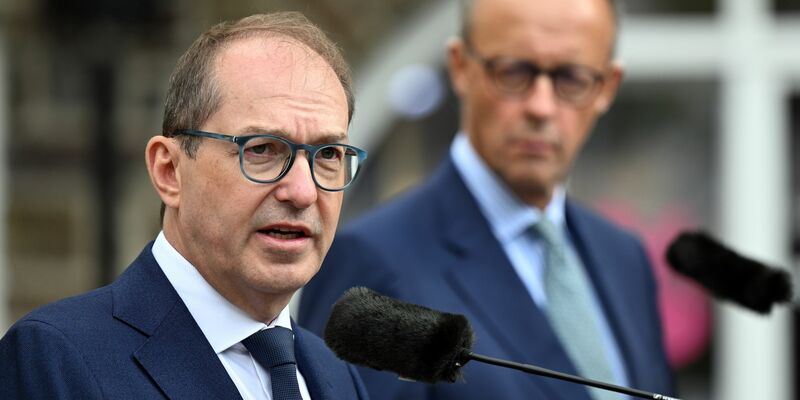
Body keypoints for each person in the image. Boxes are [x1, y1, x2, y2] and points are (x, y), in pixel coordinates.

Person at [298, 0, 674, 399]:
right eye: (513, 71)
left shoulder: (623, 258)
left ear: (607, 88)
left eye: (571, 78)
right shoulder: (375, 263)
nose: (541, 107)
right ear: (460, 67)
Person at [0, 12, 370, 400]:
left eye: (328, 153)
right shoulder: (57, 359)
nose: (303, 192)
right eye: (261, 149)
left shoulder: (337, 376)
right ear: (169, 171)